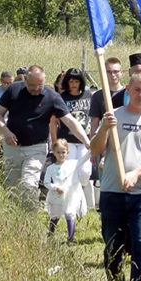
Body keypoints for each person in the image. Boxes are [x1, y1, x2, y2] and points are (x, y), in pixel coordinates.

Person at [90, 70, 141, 281]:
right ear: (128, 90)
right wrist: (103, 128)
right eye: (137, 90)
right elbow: (94, 149)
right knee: (113, 244)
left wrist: (137, 173)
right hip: (112, 190)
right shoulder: (114, 116)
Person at [0, 65, 90, 211]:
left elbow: (70, 121)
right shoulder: (13, 90)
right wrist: (6, 132)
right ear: (25, 79)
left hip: (36, 148)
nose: (36, 88)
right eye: (32, 85)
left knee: (29, 185)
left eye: (40, 84)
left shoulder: (52, 97)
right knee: (12, 187)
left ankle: (29, 220)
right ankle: (13, 219)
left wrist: (86, 141)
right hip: (11, 146)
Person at [53, 68, 94, 209]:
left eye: (77, 81)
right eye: (71, 81)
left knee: (84, 172)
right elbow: (53, 121)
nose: (74, 84)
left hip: (85, 141)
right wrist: (54, 142)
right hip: (67, 141)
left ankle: (81, 193)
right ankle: (72, 204)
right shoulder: (61, 98)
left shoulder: (88, 94)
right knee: (69, 172)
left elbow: (95, 117)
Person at [43, 139, 85, 244]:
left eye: (63, 152)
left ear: (68, 152)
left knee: (70, 214)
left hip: (69, 195)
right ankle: (51, 234)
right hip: (57, 195)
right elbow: (46, 182)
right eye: (58, 152)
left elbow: (85, 158)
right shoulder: (51, 168)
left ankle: (71, 238)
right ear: (53, 152)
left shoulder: (73, 164)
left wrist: (91, 145)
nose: (61, 155)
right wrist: (55, 187)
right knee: (55, 215)